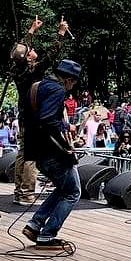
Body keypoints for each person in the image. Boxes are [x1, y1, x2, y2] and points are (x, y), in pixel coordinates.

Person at [21, 59, 83, 249]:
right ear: (69, 79)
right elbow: (47, 119)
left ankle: (35, 224)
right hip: (52, 151)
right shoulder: (57, 90)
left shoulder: (38, 86)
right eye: (73, 82)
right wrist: (67, 126)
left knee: (62, 189)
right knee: (73, 192)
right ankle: (47, 235)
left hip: (36, 149)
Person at [9, 16, 69, 204]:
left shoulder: (16, 67)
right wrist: (60, 34)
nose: (33, 50)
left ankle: (19, 191)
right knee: (30, 157)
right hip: (33, 116)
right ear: (28, 57)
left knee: (22, 153)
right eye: (31, 51)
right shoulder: (33, 72)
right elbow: (51, 55)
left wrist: (32, 29)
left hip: (24, 116)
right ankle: (27, 193)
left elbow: (20, 49)